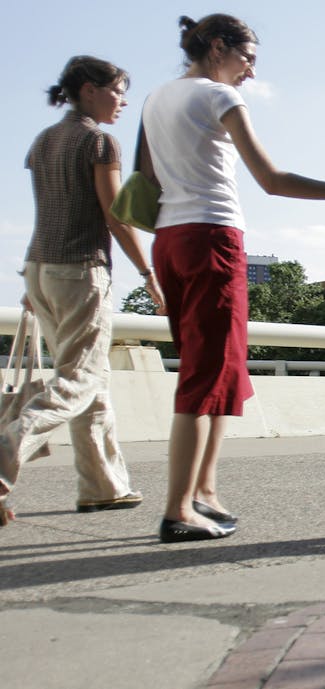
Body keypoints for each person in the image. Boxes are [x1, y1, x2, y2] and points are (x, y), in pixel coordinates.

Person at [142, 14, 325, 542]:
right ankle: (177, 510)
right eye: (248, 58)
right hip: (212, 238)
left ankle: (204, 491)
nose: (252, 72)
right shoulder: (218, 98)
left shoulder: (155, 99)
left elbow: (145, 181)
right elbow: (272, 180)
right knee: (203, 378)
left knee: (221, 368)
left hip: (170, 240)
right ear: (218, 47)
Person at [1, 56, 165, 528]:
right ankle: (5, 452)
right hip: (79, 269)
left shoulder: (43, 140)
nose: (123, 100)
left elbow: (48, 208)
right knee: (81, 379)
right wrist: (148, 273)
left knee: (90, 381)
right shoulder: (98, 141)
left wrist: (36, 285)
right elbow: (114, 215)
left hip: (40, 268)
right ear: (90, 89)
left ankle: (103, 487)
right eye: (117, 90)